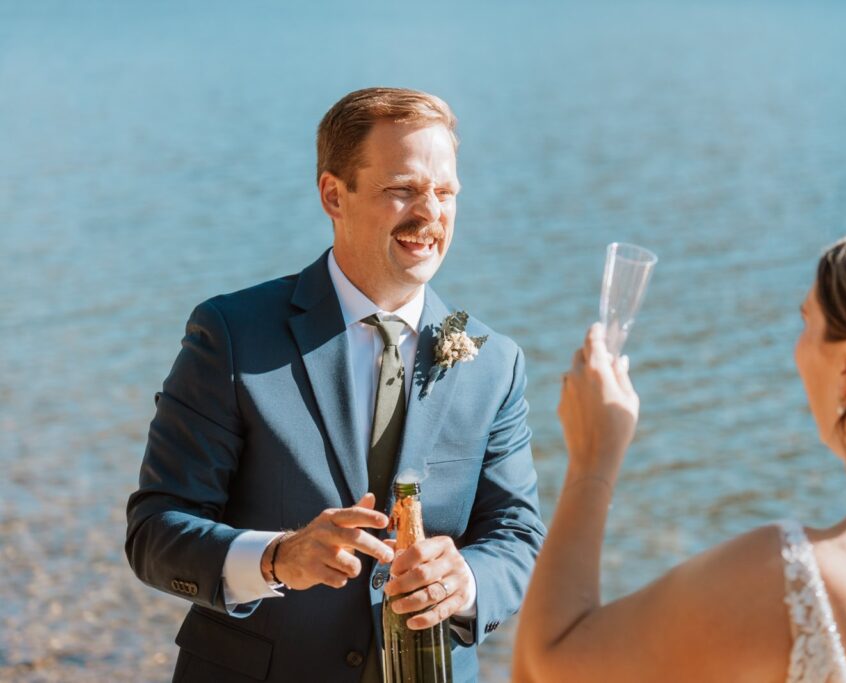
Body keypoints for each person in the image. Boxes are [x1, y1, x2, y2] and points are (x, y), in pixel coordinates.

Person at [126, 87, 545, 683]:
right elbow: (155, 531)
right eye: (403, 188)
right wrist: (276, 560)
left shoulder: (494, 361)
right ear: (333, 195)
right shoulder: (232, 334)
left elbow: (515, 534)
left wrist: (467, 581)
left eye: (445, 191)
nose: (430, 213)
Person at [513, 219, 846, 682]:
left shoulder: (790, 582)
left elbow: (544, 664)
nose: (797, 348)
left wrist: (592, 460)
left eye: (807, 323)